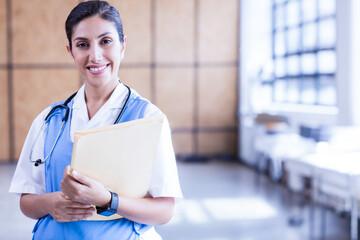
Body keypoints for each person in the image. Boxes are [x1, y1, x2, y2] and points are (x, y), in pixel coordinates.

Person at [9, 1, 183, 239]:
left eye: (106, 41)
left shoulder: (149, 119)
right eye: (83, 45)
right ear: (71, 51)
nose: (95, 55)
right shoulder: (49, 120)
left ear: (122, 46)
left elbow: (164, 210)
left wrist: (107, 200)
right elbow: (27, 200)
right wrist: (50, 203)